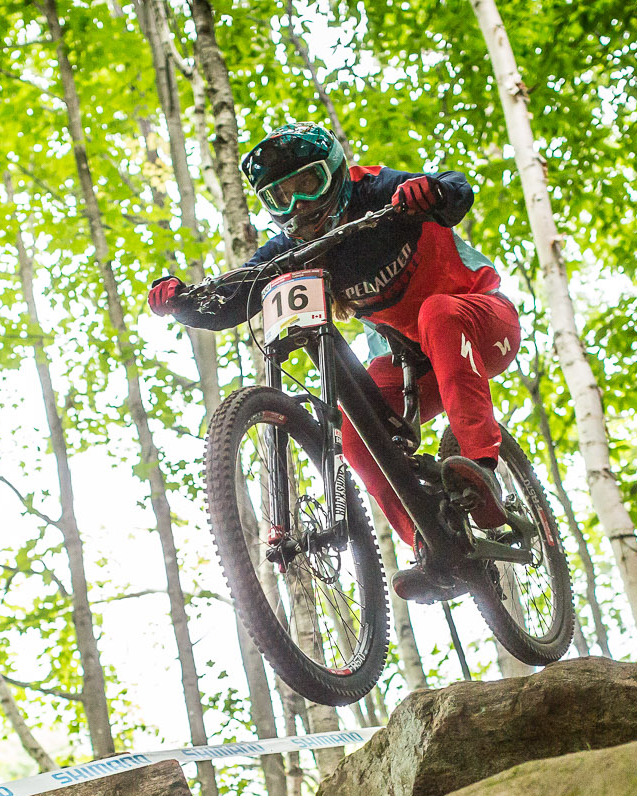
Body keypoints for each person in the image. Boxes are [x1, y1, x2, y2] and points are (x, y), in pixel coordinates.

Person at [146, 122, 521, 603]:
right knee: (356, 432)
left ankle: (482, 467)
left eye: (308, 184)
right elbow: (237, 297)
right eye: (281, 197)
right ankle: (433, 548)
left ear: (336, 173)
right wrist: (183, 304)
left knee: (438, 312)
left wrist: (429, 193)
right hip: (414, 364)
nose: (298, 205)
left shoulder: (374, 190)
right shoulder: (292, 250)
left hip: (483, 323)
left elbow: (455, 188)